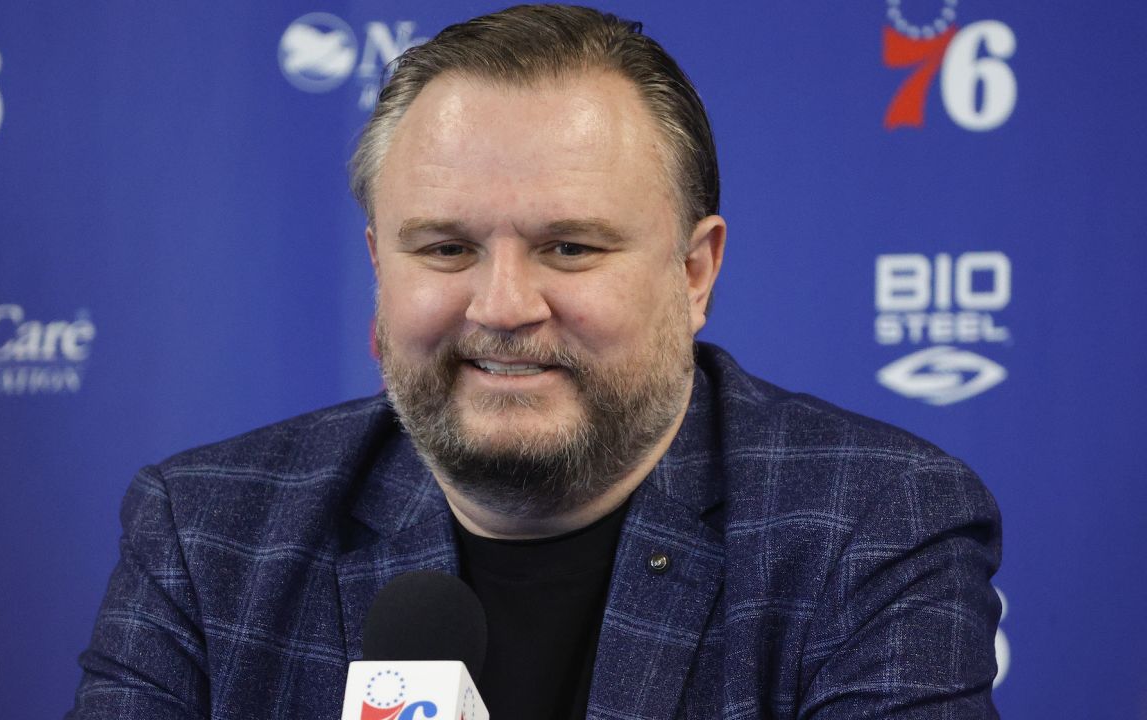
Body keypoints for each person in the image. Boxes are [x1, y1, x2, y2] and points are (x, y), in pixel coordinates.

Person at [68, 5, 1002, 719]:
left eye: (570, 248)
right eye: (443, 249)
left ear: (693, 272)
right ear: (377, 271)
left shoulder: (875, 527)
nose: (503, 307)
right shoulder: (205, 530)